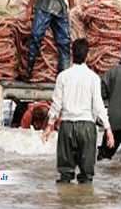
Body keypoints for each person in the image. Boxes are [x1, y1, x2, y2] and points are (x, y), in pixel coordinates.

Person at [42, 39, 114, 183]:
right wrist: (108, 129)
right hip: (87, 127)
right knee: (87, 176)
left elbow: (56, 104)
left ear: (72, 54)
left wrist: (49, 126)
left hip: (67, 126)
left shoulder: (63, 76)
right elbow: (98, 106)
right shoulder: (93, 78)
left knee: (65, 174)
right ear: (87, 56)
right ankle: (85, 203)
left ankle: (64, 202)